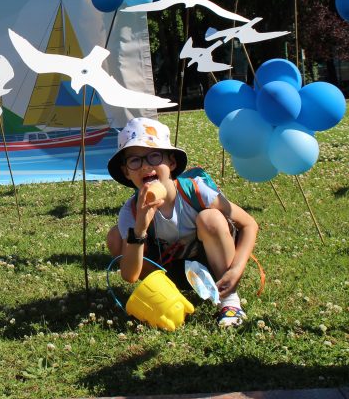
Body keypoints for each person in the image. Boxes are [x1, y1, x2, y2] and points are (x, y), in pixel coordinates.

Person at [106, 117, 258, 327]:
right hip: (170, 269)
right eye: (134, 160)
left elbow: (249, 224)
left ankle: (229, 301)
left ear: (171, 162)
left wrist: (236, 269)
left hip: (212, 263)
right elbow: (129, 275)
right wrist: (140, 227)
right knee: (116, 237)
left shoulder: (195, 191)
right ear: (126, 172)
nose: (145, 166)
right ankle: (168, 292)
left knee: (210, 218)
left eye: (154, 156)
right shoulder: (131, 211)